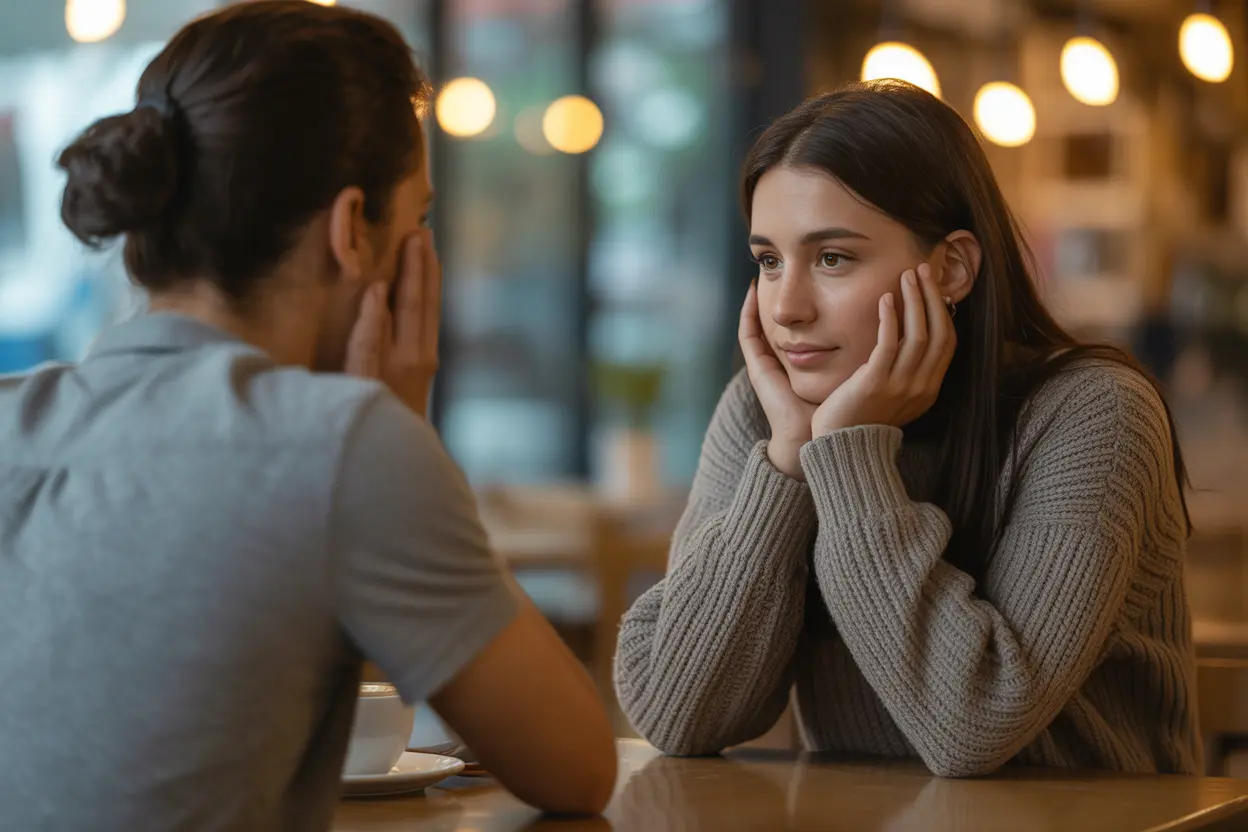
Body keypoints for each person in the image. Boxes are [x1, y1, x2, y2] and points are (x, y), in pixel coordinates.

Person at [0, 4, 616, 829]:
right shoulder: (343, 445)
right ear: (349, 232)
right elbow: (576, 768)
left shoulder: (12, 417)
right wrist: (404, 433)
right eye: (418, 219)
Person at [614, 80, 1201, 777]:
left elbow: (975, 725)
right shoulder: (765, 413)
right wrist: (789, 461)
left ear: (950, 268)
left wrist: (850, 459)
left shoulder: (1094, 413)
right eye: (769, 261)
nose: (788, 307)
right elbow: (678, 715)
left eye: (833, 258)